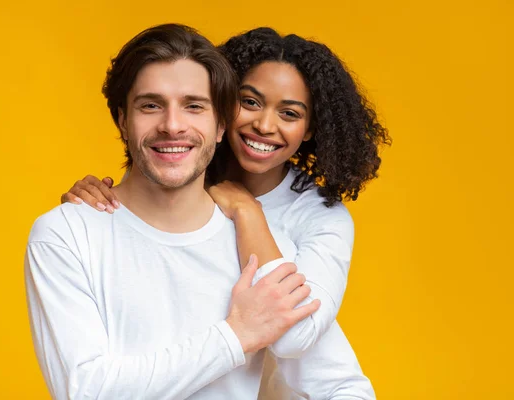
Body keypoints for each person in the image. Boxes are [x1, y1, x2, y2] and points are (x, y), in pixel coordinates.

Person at [61, 26, 390, 399]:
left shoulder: (318, 219)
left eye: (289, 113)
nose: (265, 125)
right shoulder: (181, 172)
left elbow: (299, 337)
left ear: (312, 126)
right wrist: (86, 217)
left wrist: (247, 211)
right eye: (249, 102)